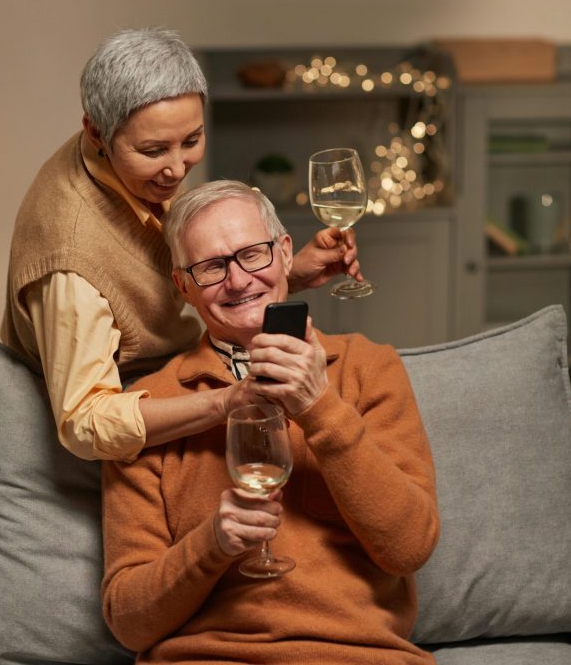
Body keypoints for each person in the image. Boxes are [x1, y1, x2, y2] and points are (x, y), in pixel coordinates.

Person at [102, 179, 439, 665]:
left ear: (284, 253)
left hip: (359, 657)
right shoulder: (150, 410)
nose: (238, 281)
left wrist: (319, 406)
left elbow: (410, 548)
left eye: (252, 254)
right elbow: (130, 623)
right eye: (211, 267)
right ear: (183, 286)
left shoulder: (369, 368)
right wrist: (212, 544)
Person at [1, 28, 361, 462]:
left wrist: (288, 273)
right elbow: (85, 424)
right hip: (106, 442)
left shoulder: (124, 156)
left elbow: (162, 281)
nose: (176, 169)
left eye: (191, 141)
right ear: (96, 132)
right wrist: (227, 401)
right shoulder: (70, 258)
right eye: (154, 151)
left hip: (171, 384)